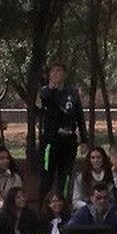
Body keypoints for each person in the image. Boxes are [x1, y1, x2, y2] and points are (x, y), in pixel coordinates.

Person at [37, 62, 87, 199]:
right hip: (51, 141)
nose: (56, 74)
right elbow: (43, 101)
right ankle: (43, 205)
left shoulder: (72, 93)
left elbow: (79, 116)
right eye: (52, 72)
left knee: (65, 176)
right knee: (47, 174)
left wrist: (84, 139)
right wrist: (51, 88)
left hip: (68, 141)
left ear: (64, 74)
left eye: (59, 71)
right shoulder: (45, 92)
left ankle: (63, 205)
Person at [72, 146, 115, 210]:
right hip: (87, 210)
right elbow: (76, 200)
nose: (96, 160)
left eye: (99, 158)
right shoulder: (82, 177)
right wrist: (90, 207)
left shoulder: (111, 175)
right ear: (89, 160)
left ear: (104, 159)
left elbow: (114, 198)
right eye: (93, 158)